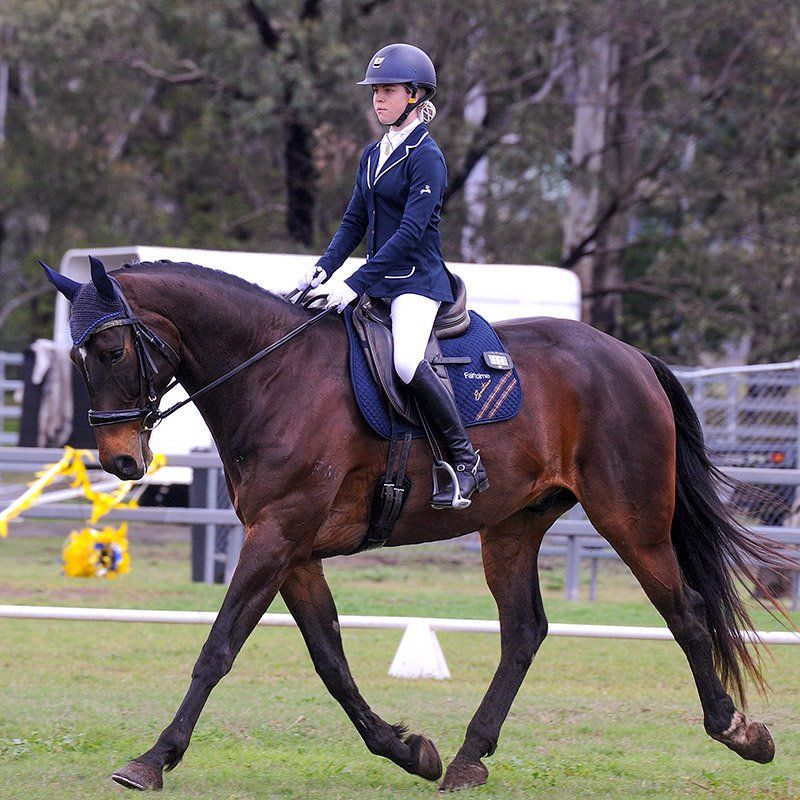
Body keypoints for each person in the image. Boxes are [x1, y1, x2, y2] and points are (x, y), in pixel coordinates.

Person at [297, 42, 488, 509]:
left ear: (416, 95)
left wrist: (353, 283)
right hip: (378, 282)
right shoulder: (372, 154)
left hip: (416, 281)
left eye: (388, 90)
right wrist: (323, 269)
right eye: (375, 91)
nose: (379, 99)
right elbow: (353, 223)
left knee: (405, 362)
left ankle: (465, 463)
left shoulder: (427, 156)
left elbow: (409, 233)